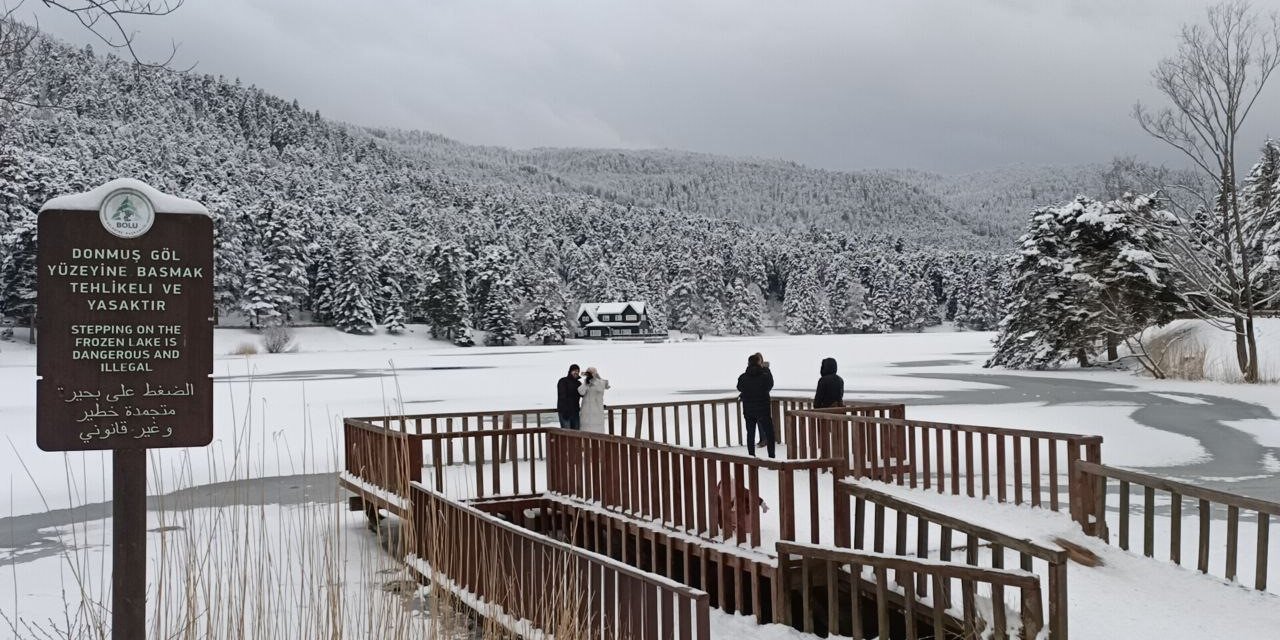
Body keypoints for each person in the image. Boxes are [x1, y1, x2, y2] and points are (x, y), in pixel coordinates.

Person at [736, 352, 775, 458]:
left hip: (748, 410)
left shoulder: (743, 377)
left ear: (748, 363)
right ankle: (771, 457)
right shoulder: (764, 376)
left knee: (750, 434)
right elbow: (770, 385)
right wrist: (766, 369)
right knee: (769, 434)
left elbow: (739, 387)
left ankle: (751, 456)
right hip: (763, 410)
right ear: (759, 363)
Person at [578, 367, 611, 431]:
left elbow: (603, 387)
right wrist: (586, 383)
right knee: (585, 433)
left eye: (591, 373)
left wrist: (595, 379)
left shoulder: (601, 382)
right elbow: (581, 392)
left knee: (597, 432)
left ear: (595, 373)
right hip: (586, 414)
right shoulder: (586, 382)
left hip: (597, 413)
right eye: (588, 373)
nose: (590, 374)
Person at [556, 364, 582, 429]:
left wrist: (588, 381)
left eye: (578, 371)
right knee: (566, 433)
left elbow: (584, 394)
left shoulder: (578, 383)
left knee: (576, 433)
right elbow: (562, 396)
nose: (576, 372)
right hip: (565, 412)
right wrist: (564, 410)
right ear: (570, 371)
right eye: (574, 370)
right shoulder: (563, 381)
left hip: (575, 412)